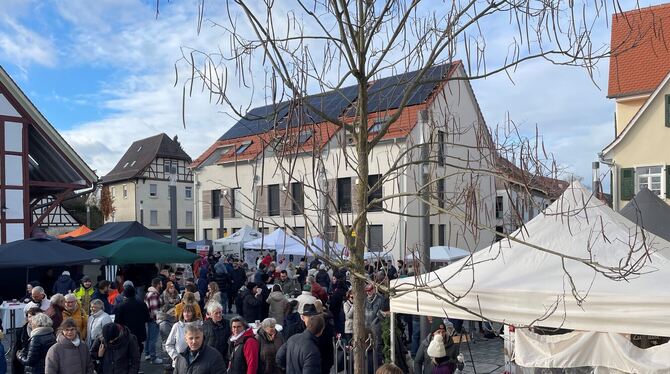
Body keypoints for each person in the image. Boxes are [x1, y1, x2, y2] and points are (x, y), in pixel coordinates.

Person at [114, 285, 150, 359]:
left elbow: (117, 321)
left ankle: (130, 365)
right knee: (138, 347)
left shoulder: (121, 306)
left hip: (126, 332)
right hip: (139, 331)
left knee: (127, 349)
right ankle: (136, 363)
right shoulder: (142, 304)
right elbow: (147, 318)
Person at [13, 307, 43, 373]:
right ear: (27, 318)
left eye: (35, 316)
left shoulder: (47, 331)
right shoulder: (20, 332)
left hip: (40, 368)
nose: (32, 319)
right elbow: (15, 353)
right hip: (24, 367)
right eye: (30, 316)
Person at [143, 277, 163, 364]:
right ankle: (153, 357)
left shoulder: (149, 293)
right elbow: (154, 310)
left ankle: (147, 354)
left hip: (149, 319)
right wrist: (158, 320)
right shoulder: (154, 295)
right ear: (158, 284)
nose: (162, 285)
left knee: (149, 338)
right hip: (153, 320)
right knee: (153, 339)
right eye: (161, 283)